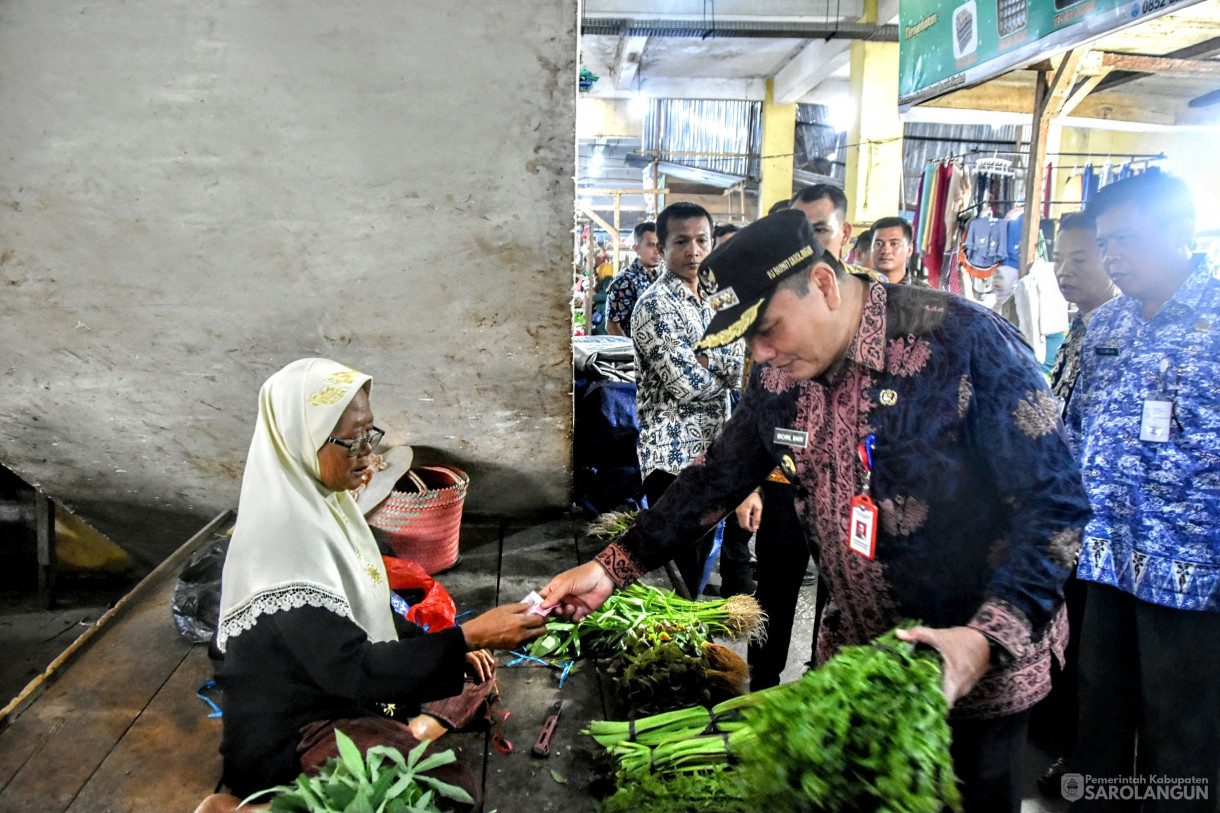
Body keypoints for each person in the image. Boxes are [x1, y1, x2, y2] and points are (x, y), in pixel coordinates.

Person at [543, 210, 1091, 813]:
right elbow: (715, 478)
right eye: (746, 338)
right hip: (855, 664)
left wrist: (984, 639)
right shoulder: (781, 375)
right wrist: (612, 567)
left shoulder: (965, 343)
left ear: (825, 285)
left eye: (769, 328)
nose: (761, 352)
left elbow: (1054, 507)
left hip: (974, 676)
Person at [208, 358, 545, 806]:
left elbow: (370, 613)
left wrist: (456, 643)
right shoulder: (284, 544)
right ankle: (251, 806)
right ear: (302, 440)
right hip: (300, 727)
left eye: (370, 434)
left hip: (346, 687)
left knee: (473, 671)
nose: (368, 454)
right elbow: (356, 669)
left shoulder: (325, 506)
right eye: (352, 441)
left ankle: (411, 730)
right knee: (449, 794)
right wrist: (466, 635)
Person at [1066, 173, 1220, 812]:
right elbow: (1076, 427)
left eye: (1126, 239)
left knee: (1180, 737)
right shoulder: (1112, 323)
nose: (1113, 257)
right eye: (1105, 244)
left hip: (1191, 573)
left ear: (1181, 232)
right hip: (1106, 558)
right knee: (1097, 715)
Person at [1035, 209, 1121, 794]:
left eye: (1081, 259)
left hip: (1102, 530)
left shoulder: (1115, 332)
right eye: (1060, 259)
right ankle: (1063, 738)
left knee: (1094, 654)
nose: (1066, 271)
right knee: (1068, 638)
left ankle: (1084, 756)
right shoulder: (1079, 331)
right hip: (1066, 520)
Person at [631, 202, 747, 596]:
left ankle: (690, 644)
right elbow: (687, 385)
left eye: (701, 240)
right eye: (681, 241)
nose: (693, 250)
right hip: (673, 460)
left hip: (719, 451)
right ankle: (677, 649)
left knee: (700, 570)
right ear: (661, 249)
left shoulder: (722, 298)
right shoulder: (653, 305)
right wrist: (723, 366)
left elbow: (742, 363)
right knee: (678, 577)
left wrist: (707, 357)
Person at [605, 222, 663, 337]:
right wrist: (632, 353)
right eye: (651, 245)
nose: (657, 251)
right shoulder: (625, 281)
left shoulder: (659, 277)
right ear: (636, 248)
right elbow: (612, 326)